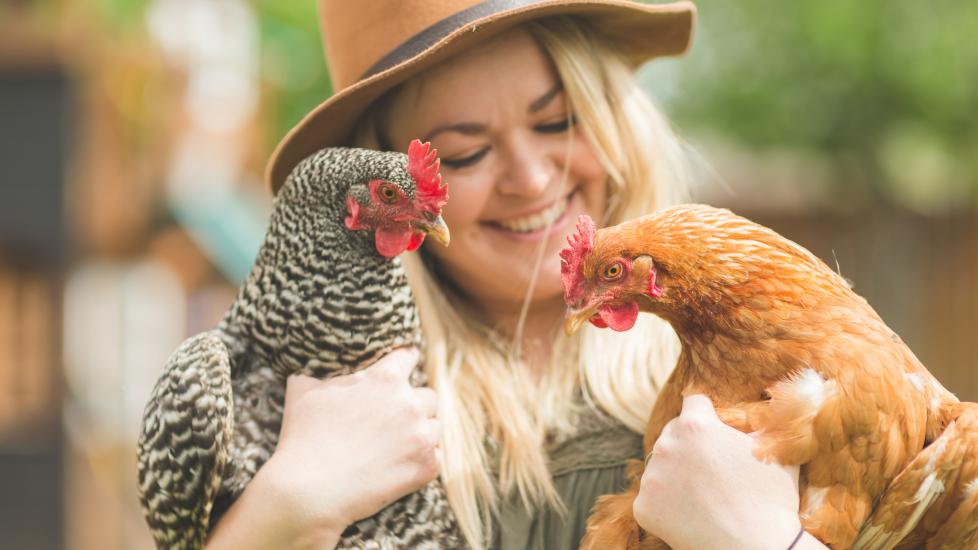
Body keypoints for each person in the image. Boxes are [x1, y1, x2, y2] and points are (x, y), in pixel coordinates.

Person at [207, 1, 828, 549]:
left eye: (555, 121)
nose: (531, 180)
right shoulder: (317, 410)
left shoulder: (762, 372)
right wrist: (289, 507)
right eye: (466, 153)